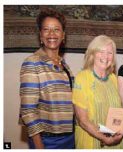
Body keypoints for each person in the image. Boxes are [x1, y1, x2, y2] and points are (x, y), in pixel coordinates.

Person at [19, 8, 75, 149]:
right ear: (40, 35)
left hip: (70, 138)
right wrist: (40, 147)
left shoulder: (64, 65)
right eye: (46, 29)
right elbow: (28, 111)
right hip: (48, 141)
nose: (51, 34)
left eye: (56, 29)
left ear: (63, 35)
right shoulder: (32, 62)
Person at [72, 35, 123, 149]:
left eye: (110, 53)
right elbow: (83, 120)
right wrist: (105, 138)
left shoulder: (113, 78)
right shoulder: (82, 78)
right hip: (91, 142)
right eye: (101, 51)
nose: (106, 56)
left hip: (115, 142)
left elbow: (117, 113)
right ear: (92, 53)